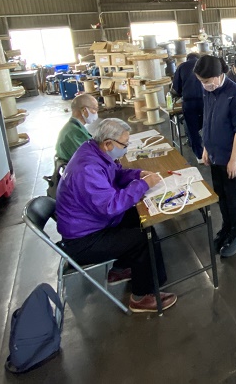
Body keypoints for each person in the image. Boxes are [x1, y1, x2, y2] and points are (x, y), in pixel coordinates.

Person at [56, 118, 177, 313]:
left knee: (138, 217)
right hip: (84, 240)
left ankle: (122, 269)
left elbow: (115, 174)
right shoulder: (87, 169)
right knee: (141, 239)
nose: (126, 149)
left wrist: (138, 175)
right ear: (108, 144)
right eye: (124, 144)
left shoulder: (93, 150)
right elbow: (111, 206)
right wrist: (143, 185)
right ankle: (141, 297)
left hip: (92, 223)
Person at [195, 55, 236, 258]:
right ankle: (227, 228)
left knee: (233, 197)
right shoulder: (208, 90)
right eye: (201, 81)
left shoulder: (235, 94)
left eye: (206, 81)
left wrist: (233, 160)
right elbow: (207, 119)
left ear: (218, 75)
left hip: (231, 156)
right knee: (221, 195)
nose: (204, 85)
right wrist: (206, 148)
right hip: (215, 154)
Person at [46, 94, 98, 197]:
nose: (96, 113)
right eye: (94, 109)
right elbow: (91, 159)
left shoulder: (74, 127)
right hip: (80, 181)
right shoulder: (73, 133)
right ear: (84, 110)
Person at [171, 52, 205, 162]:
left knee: (192, 129)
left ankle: (200, 156)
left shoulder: (182, 67)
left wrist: (183, 92)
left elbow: (176, 87)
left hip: (189, 101)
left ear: (187, 59)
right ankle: (211, 151)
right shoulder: (204, 65)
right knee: (208, 124)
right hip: (205, 100)